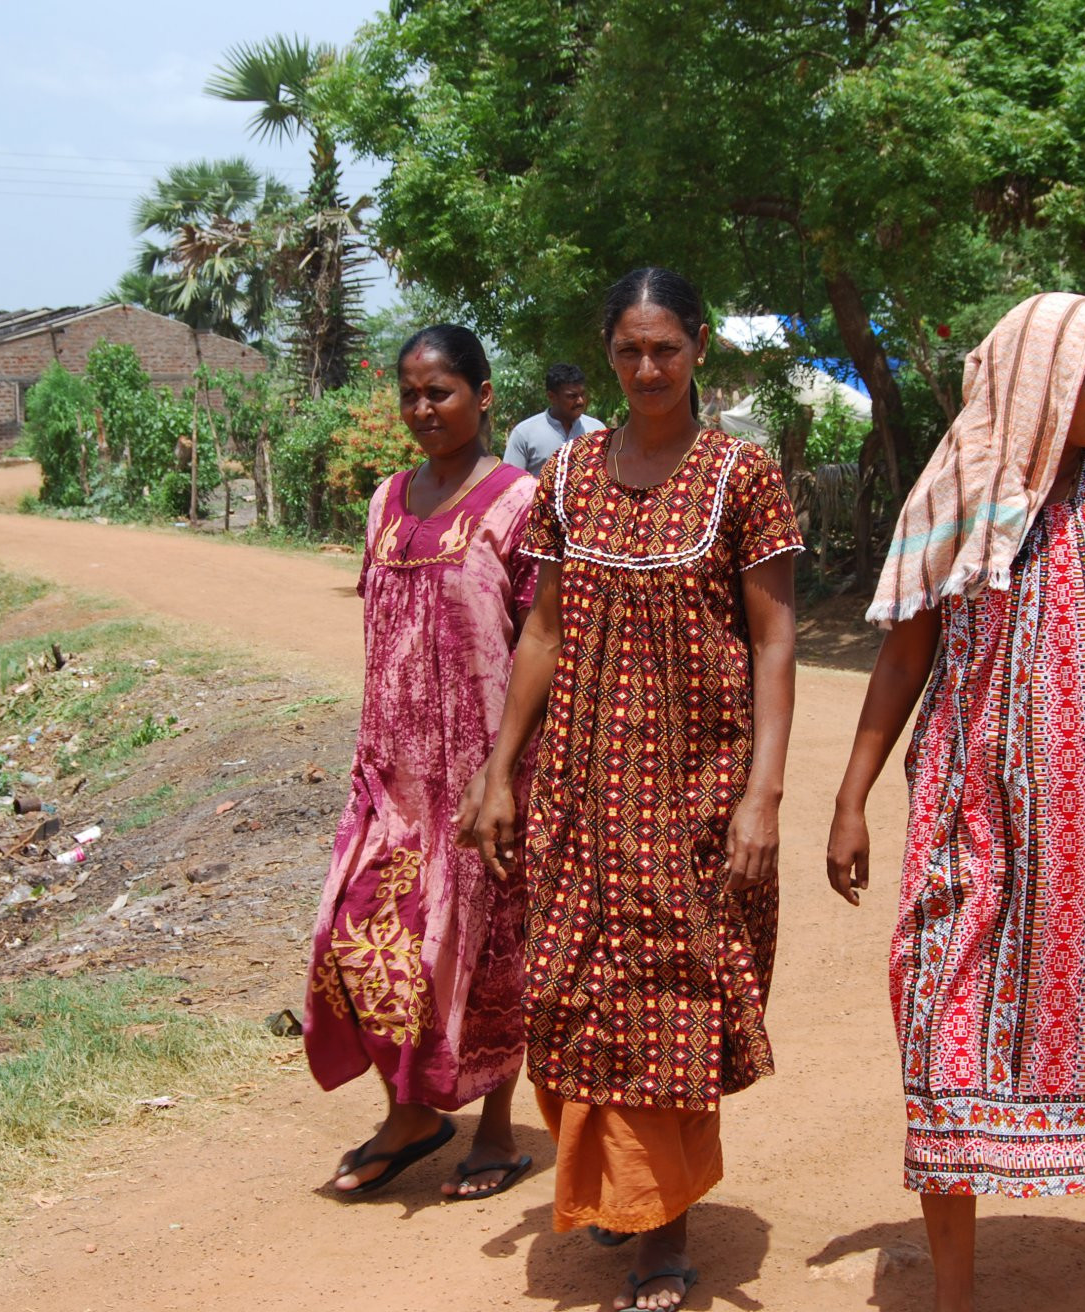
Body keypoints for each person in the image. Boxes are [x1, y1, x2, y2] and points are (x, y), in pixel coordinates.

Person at [824, 292, 1085, 1312]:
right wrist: (852, 794)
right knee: (940, 1013)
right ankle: (954, 1295)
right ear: (1032, 376)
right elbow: (905, 653)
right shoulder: (959, 494)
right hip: (973, 815)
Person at [463, 268, 801, 1312]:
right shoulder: (567, 476)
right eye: (628, 351)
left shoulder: (743, 476)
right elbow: (543, 631)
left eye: (665, 348)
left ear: (699, 345)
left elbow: (774, 641)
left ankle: (661, 1233)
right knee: (569, 987)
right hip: (579, 784)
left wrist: (762, 794)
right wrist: (500, 770)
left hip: (694, 789)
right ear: (606, 353)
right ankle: (614, 1184)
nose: (647, 368)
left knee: (665, 1003)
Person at [304, 323, 542, 1204]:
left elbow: (541, 642)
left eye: (438, 392)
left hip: (484, 774)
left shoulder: (521, 503)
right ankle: (410, 1114)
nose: (421, 409)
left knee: (486, 953)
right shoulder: (384, 500)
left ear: (484, 395)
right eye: (408, 393)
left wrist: (504, 772)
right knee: (355, 934)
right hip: (394, 774)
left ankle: (496, 1132)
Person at [501, 362, 601, 477]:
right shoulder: (524, 434)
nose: (580, 401)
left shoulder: (597, 430)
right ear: (552, 397)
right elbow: (511, 482)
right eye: (572, 396)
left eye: (582, 394)